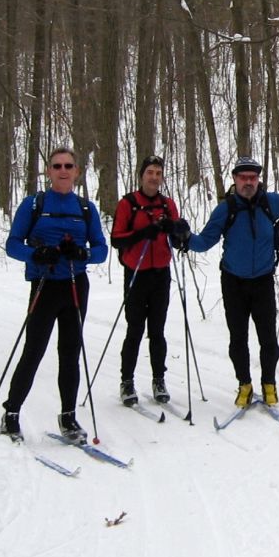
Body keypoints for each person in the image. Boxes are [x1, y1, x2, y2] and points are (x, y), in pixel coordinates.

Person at [170, 156, 279, 408]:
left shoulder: (271, 202)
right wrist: (185, 238)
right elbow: (204, 242)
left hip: (263, 280)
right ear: (235, 179)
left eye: (253, 177)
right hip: (233, 282)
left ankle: (269, 384)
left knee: (268, 338)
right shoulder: (226, 209)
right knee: (238, 338)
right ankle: (244, 384)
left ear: (258, 179)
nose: (248, 182)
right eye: (243, 178)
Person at [1, 147, 108, 443]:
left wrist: (83, 254)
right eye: (57, 166)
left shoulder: (85, 208)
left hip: (75, 285)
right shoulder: (34, 204)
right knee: (34, 350)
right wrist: (36, 254)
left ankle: (68, 417)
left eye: (68, 166)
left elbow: (101, 249)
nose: (63, 170)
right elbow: (12, 244)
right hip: (45, 284)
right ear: (48, 171)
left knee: (71, 352)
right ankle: (11, 413)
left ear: (77, 172)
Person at [110, 155, 181, 407]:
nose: (154, 177)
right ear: (142, 175)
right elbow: (116, 239)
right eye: (150, 172)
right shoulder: (128, 204)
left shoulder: (167, 204)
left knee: (157, 330)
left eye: (158, 173)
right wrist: (142, 234)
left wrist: (176, 229)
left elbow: (177, 238)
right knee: (135, 329)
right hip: (136, 273)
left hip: (160, 274)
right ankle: (127, 381)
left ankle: (159, 379)